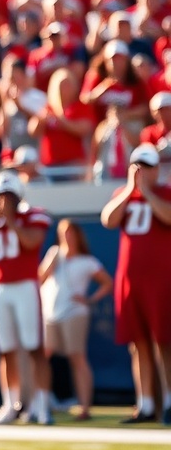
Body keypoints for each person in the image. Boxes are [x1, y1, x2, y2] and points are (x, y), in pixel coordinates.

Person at [0, 171, 54, 425]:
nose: (4, 201)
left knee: (34, 347)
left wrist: (12, 221)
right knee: (6, 349)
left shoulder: (33, 215)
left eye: (9, 196)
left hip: (25, 286)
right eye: (1, 196)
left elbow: (31, 242)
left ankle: (41, 404)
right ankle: (10, 404)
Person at [100, 143, 171, 425]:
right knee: (137, 343)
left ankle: (168, 401)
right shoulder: (123, 194)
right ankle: (145, 403)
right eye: (137, 166)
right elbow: (108, 220)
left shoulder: (165, 192)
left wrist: (148, 192)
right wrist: (131, 189)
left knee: (164, 341)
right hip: (129, 280)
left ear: (156, 169)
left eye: (147, 167)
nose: (141, 171)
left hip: (160, 279)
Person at [38, 219, 112, 421]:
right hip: (49, 314)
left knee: (76, 357)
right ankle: (41, 404)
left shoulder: (88, 262)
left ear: (78, 236)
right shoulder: (54, 255)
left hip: (75, 313)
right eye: (63, 233)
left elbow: (107, 283)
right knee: (42, 357)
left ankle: (84, 408)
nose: (67, 237)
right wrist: (50, 264)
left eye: (70, 232)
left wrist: (89, 299)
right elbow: (40, 278)